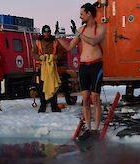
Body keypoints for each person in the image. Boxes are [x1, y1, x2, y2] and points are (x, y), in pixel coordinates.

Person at [56, 3, 106, 139]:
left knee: (95, 98)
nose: (80, 16)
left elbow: (94, 42)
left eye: (82, 14)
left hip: (96, 65)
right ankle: (88, 128)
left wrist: (79, 34)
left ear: (89, 13)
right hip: (83, 67)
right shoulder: (81, 30)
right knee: (85, 99)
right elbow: (69, 47)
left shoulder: (100, 28)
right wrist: (59, 37)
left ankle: (96, 128)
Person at [31, 25, 63, 113]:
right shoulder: (37, 42)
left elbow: (61, 53)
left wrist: (55, 57)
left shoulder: (55, 42)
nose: (47, 34)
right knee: (41, 88)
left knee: (53, 86)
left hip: (52, 68)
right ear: (42, 33)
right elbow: (33, 54)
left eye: (48, 32)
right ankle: (43, 106)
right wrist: (40, 57)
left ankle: (54, 106)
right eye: (45, 32)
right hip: (41, 69)